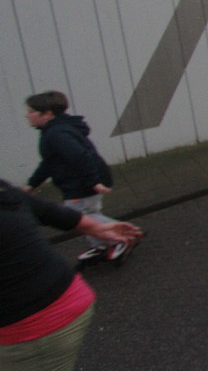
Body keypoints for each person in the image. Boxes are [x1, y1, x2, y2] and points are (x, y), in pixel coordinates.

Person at [0, 179, 142, 371]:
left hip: (35, 325)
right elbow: (35, 206)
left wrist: (95, 227)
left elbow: (34, 205)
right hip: (59, 298)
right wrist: (94, 227)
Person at [22, 91, 136, 265]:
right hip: (84, 181)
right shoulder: (56, 130)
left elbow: (81, 156)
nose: (27, 115)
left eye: (31, 111)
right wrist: (32, 184)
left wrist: (93, 182)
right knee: (89, 214)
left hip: (82, 184)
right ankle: (106, 243)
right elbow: (49, 162)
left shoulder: (56, 134)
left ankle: (120, 239)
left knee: (78, 217)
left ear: (47, 114)